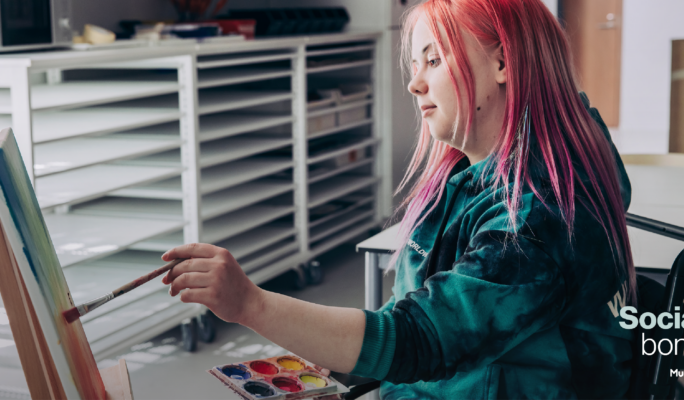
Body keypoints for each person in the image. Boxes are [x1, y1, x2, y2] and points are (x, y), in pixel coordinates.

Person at [160, 0, 637, 398]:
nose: (415, 84)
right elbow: (409, 321)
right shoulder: (468, 171)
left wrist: (251, 304)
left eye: (434, 60)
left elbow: (416, 340)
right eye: (415, 66)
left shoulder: (537, 211)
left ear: (502, 62)